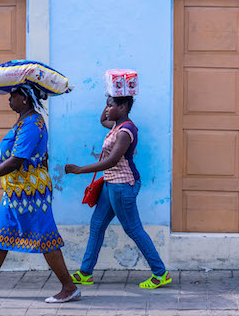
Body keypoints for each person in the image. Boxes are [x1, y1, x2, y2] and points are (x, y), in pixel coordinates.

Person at [0, 84, 80, 303]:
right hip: (15, 194)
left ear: (25, 99)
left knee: (45, 237)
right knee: (2, 235)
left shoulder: (33, 124)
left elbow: (17, 160)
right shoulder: (24, 121)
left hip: (32, 194)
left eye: (13, 95)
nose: (9, 99)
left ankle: (69, 287)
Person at [64, 96, 171, 289]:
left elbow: (111, 161)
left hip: (122, 186)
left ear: (122, 108)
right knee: (97, 225)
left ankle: (160, 273)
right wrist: (109, 94)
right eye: (107, 104)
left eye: (111, 105)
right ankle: (85, 273)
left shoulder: (126, 131)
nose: (107, 109)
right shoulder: (115, 125)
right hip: (110, 184)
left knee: (133, 229)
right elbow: (103, 120)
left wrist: (80, 169)